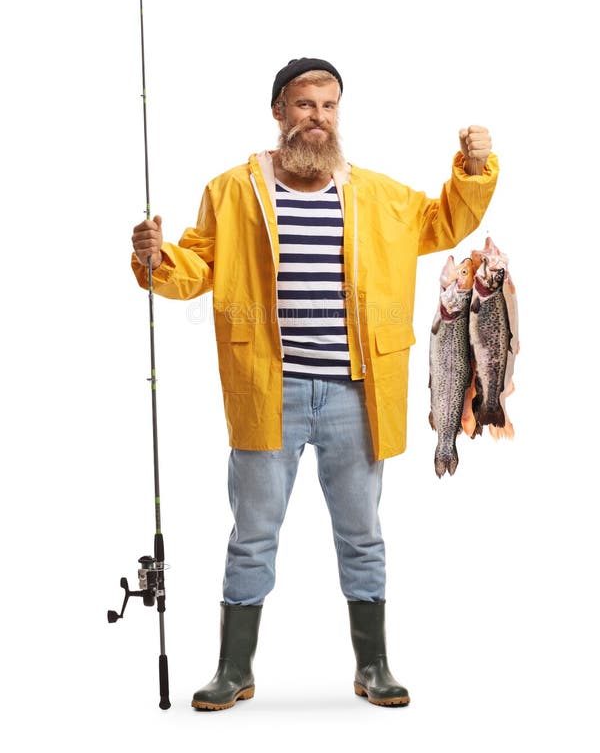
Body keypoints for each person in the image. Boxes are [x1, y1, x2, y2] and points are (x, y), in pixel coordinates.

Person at [131, 57, 499, 711]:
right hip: (267, 392)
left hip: (356, 395)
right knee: (252, 534)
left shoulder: (379, 195)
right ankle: (233, 670)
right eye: (304, 105)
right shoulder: (232, 192)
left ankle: (374, 666)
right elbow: (193, 269)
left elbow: (445, 221)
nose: (318, 118)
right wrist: (153, 257)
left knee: (362, 534)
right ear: (279, 111)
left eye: (329, 106)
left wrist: (472, 170)